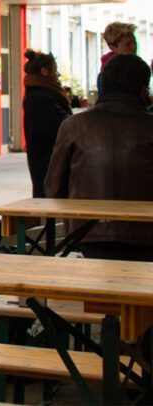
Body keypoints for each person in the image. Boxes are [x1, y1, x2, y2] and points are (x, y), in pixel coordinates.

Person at [46, 54, 153, 262]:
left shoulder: (73, 126)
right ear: (142, 91)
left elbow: (53, 188)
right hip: (147, 237)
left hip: (87, 236)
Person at [22, 49, 72, 199]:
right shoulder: (38, 98)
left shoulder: (41, 93)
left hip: (47, 159)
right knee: (49, 196)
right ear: (44, 71)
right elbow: (63, 123)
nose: (57, 75)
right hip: (48, 161)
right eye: (55, 70)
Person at [98, 22, 138, 93]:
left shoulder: (136, 66)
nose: (134, 46)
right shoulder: (108, 75)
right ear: (112, 47)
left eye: (134, 42)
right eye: (128, 44)